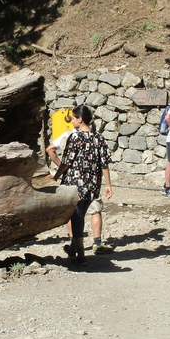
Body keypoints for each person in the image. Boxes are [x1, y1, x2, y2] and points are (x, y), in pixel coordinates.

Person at [54, 105, 112, 264]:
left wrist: (56, 177)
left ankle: (80, 255)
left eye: (73, 118)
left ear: (80, 119)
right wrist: (108, 185)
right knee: (79, 214)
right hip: (92, 184)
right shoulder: (99, 138)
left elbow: (66, 162)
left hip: (75, 183)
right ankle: (74, 248)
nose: (72, 120)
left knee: (77, 217)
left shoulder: (75, 137)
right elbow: (104, 163)